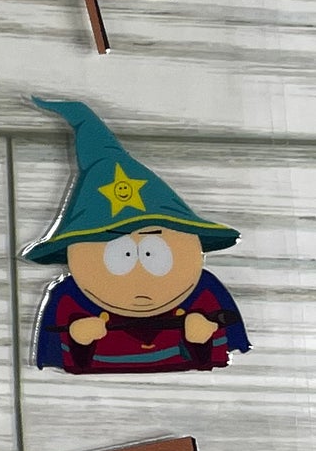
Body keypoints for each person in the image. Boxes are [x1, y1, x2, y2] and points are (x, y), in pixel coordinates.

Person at [29, 97, 248, 374]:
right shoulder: (68, 296)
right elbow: (59, 355)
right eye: (121, 255)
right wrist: (79, 339)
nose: (139, 280)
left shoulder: (204, 290)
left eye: (153, 254)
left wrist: (202, 337)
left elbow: (221, 347)